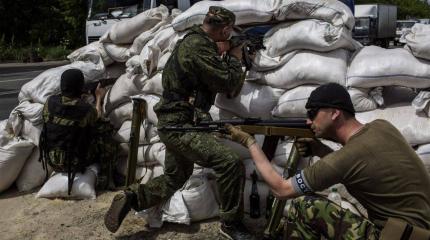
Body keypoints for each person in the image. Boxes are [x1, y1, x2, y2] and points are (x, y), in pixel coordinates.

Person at [104, 6, 254, 240]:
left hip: (177, 121)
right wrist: (235, 57)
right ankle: (231, 225)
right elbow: (228, 83)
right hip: (181, 124)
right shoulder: (198, 47)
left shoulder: (193, 42)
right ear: (225, 30)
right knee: (230, 163)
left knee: (176, 176)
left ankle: (133, 197)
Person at [225, 83, 430, 239]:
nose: (308, 121)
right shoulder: (382, 127)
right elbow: (358, 166)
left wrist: (250, 142)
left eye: (313, 113)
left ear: (334, 113)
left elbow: (281, 190)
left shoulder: (347, 158)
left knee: (303, 206)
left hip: (396, 236)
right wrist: (320, 149)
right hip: (417, 232)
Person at [40, 68, 117, 191]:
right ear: (80, 86)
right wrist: (98, 97)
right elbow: (97, 115)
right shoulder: (85, 110)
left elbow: (66, 109)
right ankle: (106, 177)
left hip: (53, 161)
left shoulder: (49, 102)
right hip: (75, 163)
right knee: (104, 129)